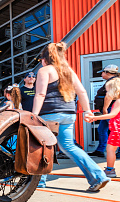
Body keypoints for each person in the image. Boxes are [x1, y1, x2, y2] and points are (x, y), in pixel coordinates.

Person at [32, 42, 110, 192]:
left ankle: (39, 182)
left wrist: (34, 114)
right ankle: (98, 176)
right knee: (68, 146)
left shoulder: (44, 70)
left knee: (44, 147)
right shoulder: (68, 71)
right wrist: (87, 111)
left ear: (45, 58)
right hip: (68, 114)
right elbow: (82, 92)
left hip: (50, 114)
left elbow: (40, 94)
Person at [85, 78, 120, 178]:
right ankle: (109, 170)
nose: (107, 93)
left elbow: (112, 115)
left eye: (108, 90)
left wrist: (94, 117)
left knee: (111, 149)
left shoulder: (119, 101)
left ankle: (110, 171)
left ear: (116, 90)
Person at [89, 64, 120, 158]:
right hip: (110, 109)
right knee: (102, 129)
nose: (101, 74)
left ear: (107, 73)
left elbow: (109, 96)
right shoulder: (115, 81)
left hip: (110, 109)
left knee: (117, 130)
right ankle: (100, 150)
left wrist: (104, 109)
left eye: (102, 72)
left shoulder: (112, 82)